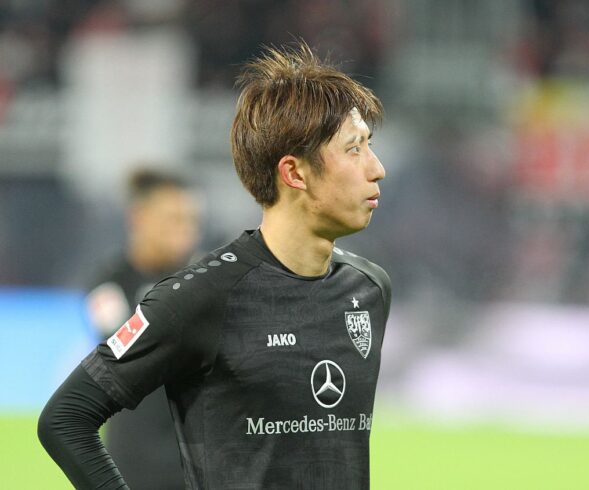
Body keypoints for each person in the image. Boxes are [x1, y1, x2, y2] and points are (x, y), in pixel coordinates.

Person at [38, 42, 390, 490]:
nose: (377, 168)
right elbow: (66, 418)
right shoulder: (199, 297)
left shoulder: (369, 288)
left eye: (369, 146)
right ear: (295, 173)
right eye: (354, 149)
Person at [84, 168, 200, 489]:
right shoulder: (109, 283)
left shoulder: (203, 280)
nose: (186, 231)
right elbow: (123, 351)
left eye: (191, 221)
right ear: (139, 219)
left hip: (195, 461)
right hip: (132, 463)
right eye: (173, 220)